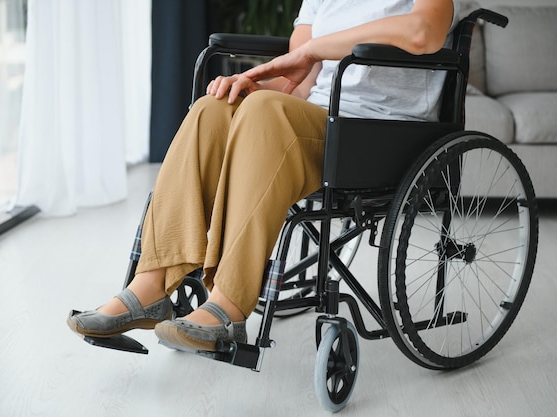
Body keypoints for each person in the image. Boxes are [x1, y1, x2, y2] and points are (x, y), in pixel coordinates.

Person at [67, 0, 460, 353]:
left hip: (382, 132)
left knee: (265, 110)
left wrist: (312, 50)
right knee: (214, 108)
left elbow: (423, 32)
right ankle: (149, 286)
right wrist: (252, 85)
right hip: (321, 121)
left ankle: (229, 303)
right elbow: (300, 83)